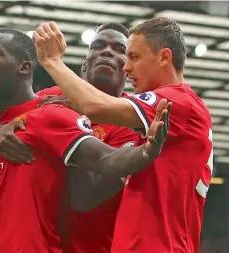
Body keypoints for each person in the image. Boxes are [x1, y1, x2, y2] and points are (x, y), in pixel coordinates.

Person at [0, 28, 169, 253]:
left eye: (120, 50)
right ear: (84, 64)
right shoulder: (49, 101)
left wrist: (145, 151)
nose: (107, 53)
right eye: (98, 46)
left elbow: (86, 194)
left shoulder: (129, 123)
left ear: (128, 70)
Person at [33, 18, 213, 253]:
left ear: (164, 57)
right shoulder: (162, 114)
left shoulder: (177, 101)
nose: (127, 68)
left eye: (134, 57)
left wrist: (52, 61)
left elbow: (95, 106)